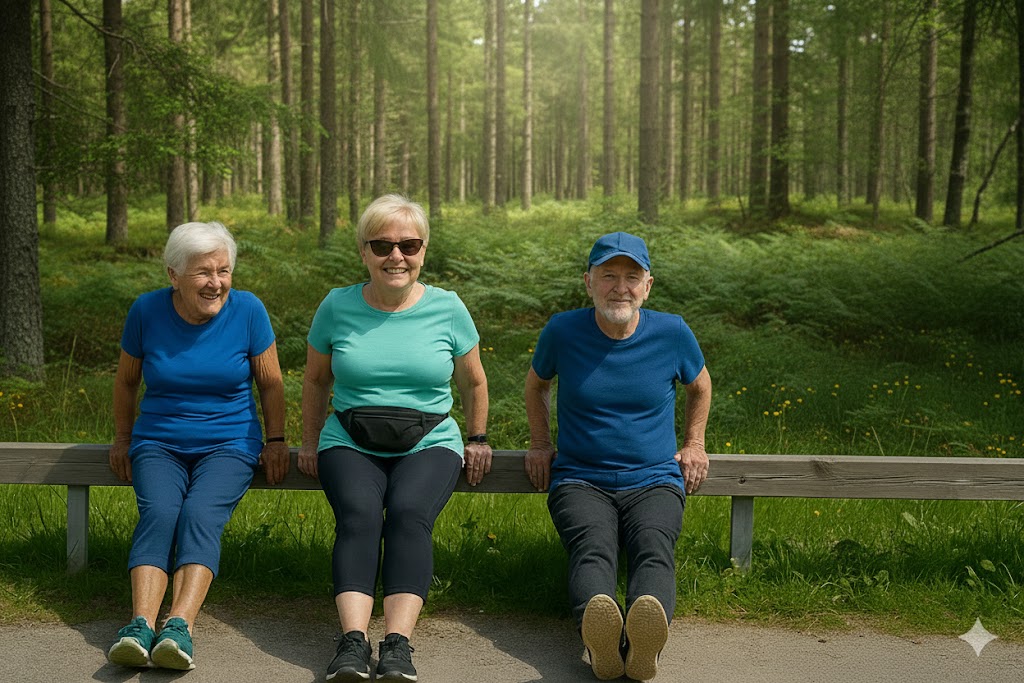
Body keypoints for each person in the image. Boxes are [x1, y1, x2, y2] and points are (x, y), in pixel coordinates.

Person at [298, 194, 492, 683]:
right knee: (360, 516)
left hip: (430, 440)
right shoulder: (336, 305)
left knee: (408, 513)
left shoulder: (448, 308)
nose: (396, 256)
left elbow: (473, 381)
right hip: (349, 437)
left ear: (424, 250)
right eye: (382, 244)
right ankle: (352, 642)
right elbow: (316, 380)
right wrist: (307, 441)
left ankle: (398, 646)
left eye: (408, 244)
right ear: (363, 251)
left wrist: (478, 437)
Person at [524, 231, 712, 681]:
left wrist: (694, 443)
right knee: (593, 549)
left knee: (654, 548)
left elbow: (700, 386)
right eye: (609, 275)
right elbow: (536, 386)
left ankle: (645, 644)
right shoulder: (563, 330)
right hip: (579, 479)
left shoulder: (672, 331)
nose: (620, 287)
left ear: (648, 285)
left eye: (632, 277)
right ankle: (602, 645)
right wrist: (540, 444)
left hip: (654, 479)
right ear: (588, 281)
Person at [106, 221, 289, 671]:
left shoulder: (248, 310)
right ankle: (140, 626)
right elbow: (127, 382)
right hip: (158, 441)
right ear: (173, 275)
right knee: (161, 513)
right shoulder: (146, 311)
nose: (217, 282)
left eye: (224, 271)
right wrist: (123, 438)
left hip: (230, 442)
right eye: (204, 273)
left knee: (200, 514)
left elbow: (271, 383)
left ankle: (178, 627)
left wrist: (277, 441)